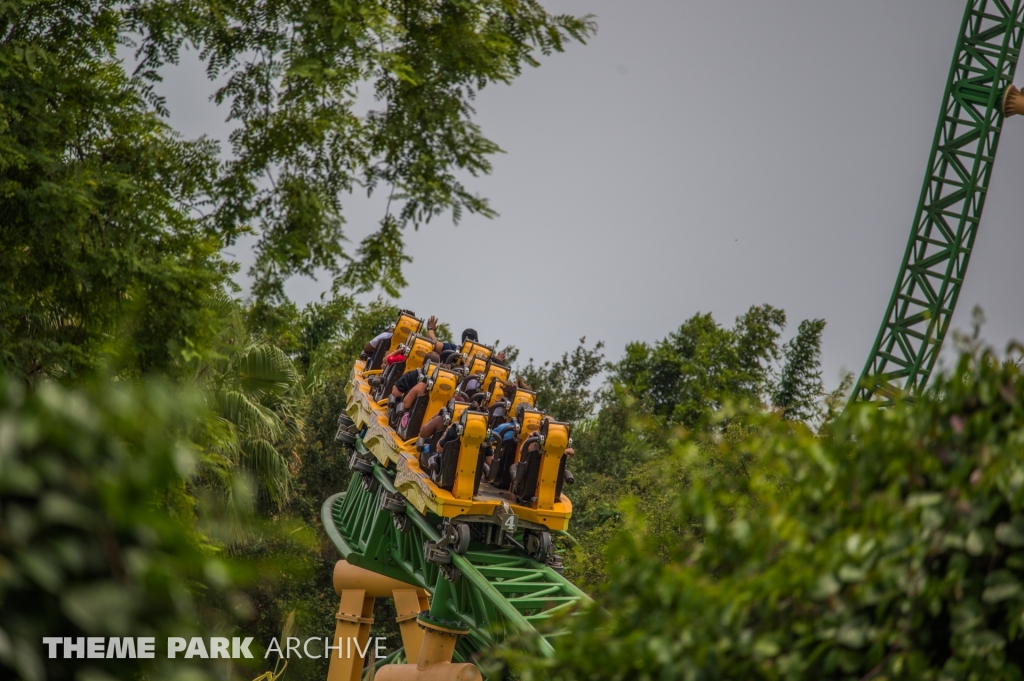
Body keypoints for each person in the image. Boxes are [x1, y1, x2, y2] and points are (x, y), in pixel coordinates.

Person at [424, 316, 507, 363]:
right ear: (477, 341)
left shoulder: (453, 349)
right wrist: (497, 360)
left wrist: (430, 328)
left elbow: (434, 343)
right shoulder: (485, 357)